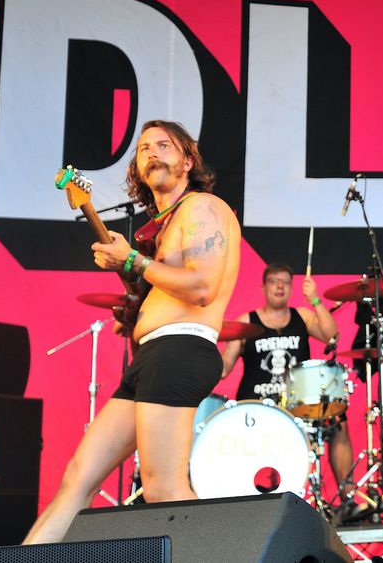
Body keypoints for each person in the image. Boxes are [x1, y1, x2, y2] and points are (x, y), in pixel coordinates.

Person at [25, 120, 240, 543]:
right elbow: (166, 285)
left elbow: (201, 287)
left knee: (165, 490)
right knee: (78, 479)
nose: (152, 152)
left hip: (179, 351)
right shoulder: (161, 227)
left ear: (188, 160)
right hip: (152, 356)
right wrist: (136, 312)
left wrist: (132, 263)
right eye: (143, 149)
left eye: (164, 145)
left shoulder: (202, 208)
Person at [220, 262, 355, 501]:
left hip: (295, 405)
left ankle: (348, 495)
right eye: (274, 281)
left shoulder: (301, 316)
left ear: (291, 288)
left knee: (337, 420)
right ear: (264, 287)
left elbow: (331, 336)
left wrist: (314, 300)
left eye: (285, 281)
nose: (279, 286)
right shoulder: (247, 320)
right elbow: (223, 369)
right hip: (256, 408)